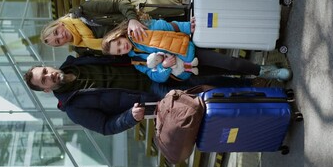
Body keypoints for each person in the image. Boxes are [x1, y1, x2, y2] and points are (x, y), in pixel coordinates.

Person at [23, 55, 256, 135]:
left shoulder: (76, 61)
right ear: (45, 89)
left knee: (203, 78)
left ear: (47, 66)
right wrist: (130, 117)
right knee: (202, 95)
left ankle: (252, 83)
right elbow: (105, 126)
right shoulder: (72, 108)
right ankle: (254, 98)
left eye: (45, 71)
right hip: (150, 94)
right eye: (44, 80)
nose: (49, 76)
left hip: (149, 69)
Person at [101, 18, 292, 82]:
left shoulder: (140, 30)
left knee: (230, 62)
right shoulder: (136, 61)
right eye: (118, 51)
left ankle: (266, 71)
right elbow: (155, 75)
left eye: (118, 44)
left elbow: (168, 27)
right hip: (187, 71)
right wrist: (165, 67)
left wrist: (186, 27)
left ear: (119, 36)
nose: (122, 48)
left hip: (191, 53)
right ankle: (258, 71)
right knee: (227, 72)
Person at [40, 0, 148, 55]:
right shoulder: (83, 49)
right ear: (62, 44)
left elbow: (120, 2)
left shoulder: (84, 11)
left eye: (56, 32)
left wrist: (132, 19)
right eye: (58, 41)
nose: (61, 36)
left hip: (148, 15)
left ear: (59, 24)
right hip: (146, 42)